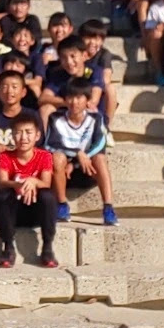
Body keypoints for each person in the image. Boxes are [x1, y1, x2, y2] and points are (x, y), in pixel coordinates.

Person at [0, 115, 61, 270]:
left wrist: (33, 181)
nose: (23, 137)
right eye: (18, 132)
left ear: (37, 135)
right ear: (12, 135)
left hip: (36, 210)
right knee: (4, 195)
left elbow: (46, 182)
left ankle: (47, 248)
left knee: (48, 196)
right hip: (14, 211)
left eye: (28, 132)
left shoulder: (44, 156)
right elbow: (2, 182)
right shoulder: (5, 156)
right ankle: (8, 247)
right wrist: (19, 184)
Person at [46, 82, 117, 227]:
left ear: (87, 100)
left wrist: (76, 163)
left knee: (100, 158)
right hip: (64, 173)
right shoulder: (55, 118)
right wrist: (77, 153)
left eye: (79, 98)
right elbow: (50, 145)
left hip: (88, 169)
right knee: (57, 157)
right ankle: (62, 204)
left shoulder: (96, 118)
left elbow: (100, 143)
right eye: (70, 98)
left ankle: (108, 208)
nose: (74, 102)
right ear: (64, 100)